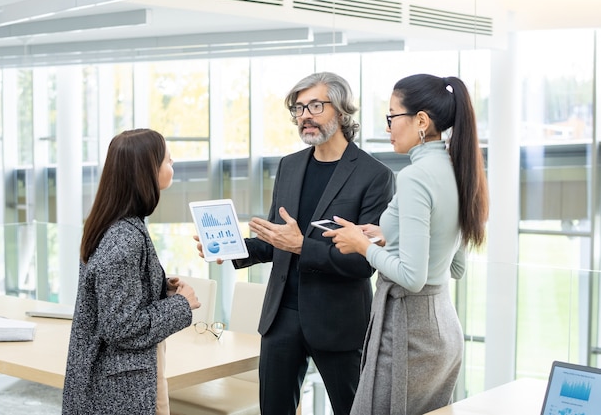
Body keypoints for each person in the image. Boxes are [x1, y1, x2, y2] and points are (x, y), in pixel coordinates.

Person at [196, 72, 394, 414]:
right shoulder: (289, 166)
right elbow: (277, 242)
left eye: (315, 105)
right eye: (299, 108)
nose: (305, 115)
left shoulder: (374, 175)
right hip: (282, 315)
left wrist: (303, 246)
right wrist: (230, 249)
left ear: (342, 111)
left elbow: (365, 262)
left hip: (339, 321)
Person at [324, 74, 489, 415]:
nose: (388, 128)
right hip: (443, 329)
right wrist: (390, 238)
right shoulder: (458, 170)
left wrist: (361, 244)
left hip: (408, 332)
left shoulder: (415, 176)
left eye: (391, 117)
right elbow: (453, 266)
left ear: (421, 121)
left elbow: (413, 277)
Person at [62, 128, 201, 415]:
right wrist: (181, 305)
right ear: (146, 172)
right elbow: (121, 327)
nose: (172, 162)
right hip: (118, 388)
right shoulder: (125, 237)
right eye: (166, 160)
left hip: (113, 382)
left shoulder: (112, 225)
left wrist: (159, 287)